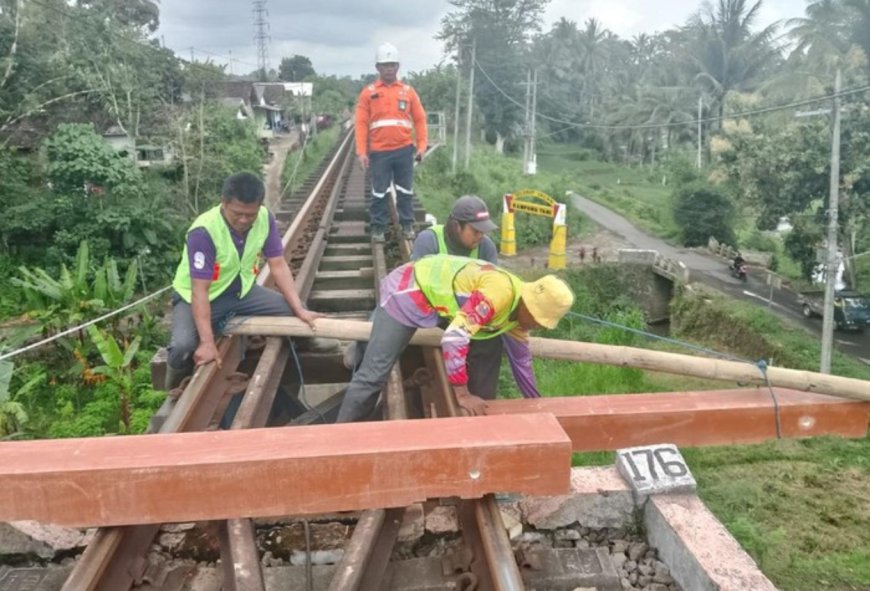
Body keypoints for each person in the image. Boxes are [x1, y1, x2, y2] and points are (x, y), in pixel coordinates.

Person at [335, 255, 575, 423]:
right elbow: (453, 338)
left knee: (485, 344)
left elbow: (522, 363)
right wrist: (462, 394)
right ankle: (340, 439)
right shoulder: (499, 294)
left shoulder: (518, 319)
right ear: (528, 303)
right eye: (536, 318)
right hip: (409, 291)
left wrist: (537, 405)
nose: (536, 325)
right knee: (374, 375)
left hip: (440, 308)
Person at [165, 171, 334, 392]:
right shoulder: (203, 232)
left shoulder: (264, 218)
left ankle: (306, 341)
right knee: (182, 346)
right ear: (223, 203)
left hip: (240, 292)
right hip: (196, 297)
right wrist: (207, 343)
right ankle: (176, 383)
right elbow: (199, 291)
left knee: (294, 310)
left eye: (250, 214)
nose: (244, 220)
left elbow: (278, 264)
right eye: (238, 214)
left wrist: (298, 308)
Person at [345, 195, 503, 398]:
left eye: (483, 231)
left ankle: (482, 397)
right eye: (475, 230)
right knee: (385, 312)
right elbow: (418, 289)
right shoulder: (430, 239)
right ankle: (360, 350)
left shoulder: (486, 247)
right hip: (426, 307)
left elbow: (492, 289)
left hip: (460, 313)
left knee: (493, 336)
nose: (480, 236)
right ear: (456, 226)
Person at [355, 42, 428, 243]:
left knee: (405, 190)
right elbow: (360, 124)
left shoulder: (408, 91)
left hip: (404, 151)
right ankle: (378, 228)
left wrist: (421, 146)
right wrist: (362, 152)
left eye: (393, 65)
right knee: (379, 192)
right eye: (385, 65)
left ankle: (407, 225)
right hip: (379, 152)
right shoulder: (368, 93)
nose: (389, 69)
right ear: (378, 68)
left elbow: (420, 119)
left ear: (398, 67)